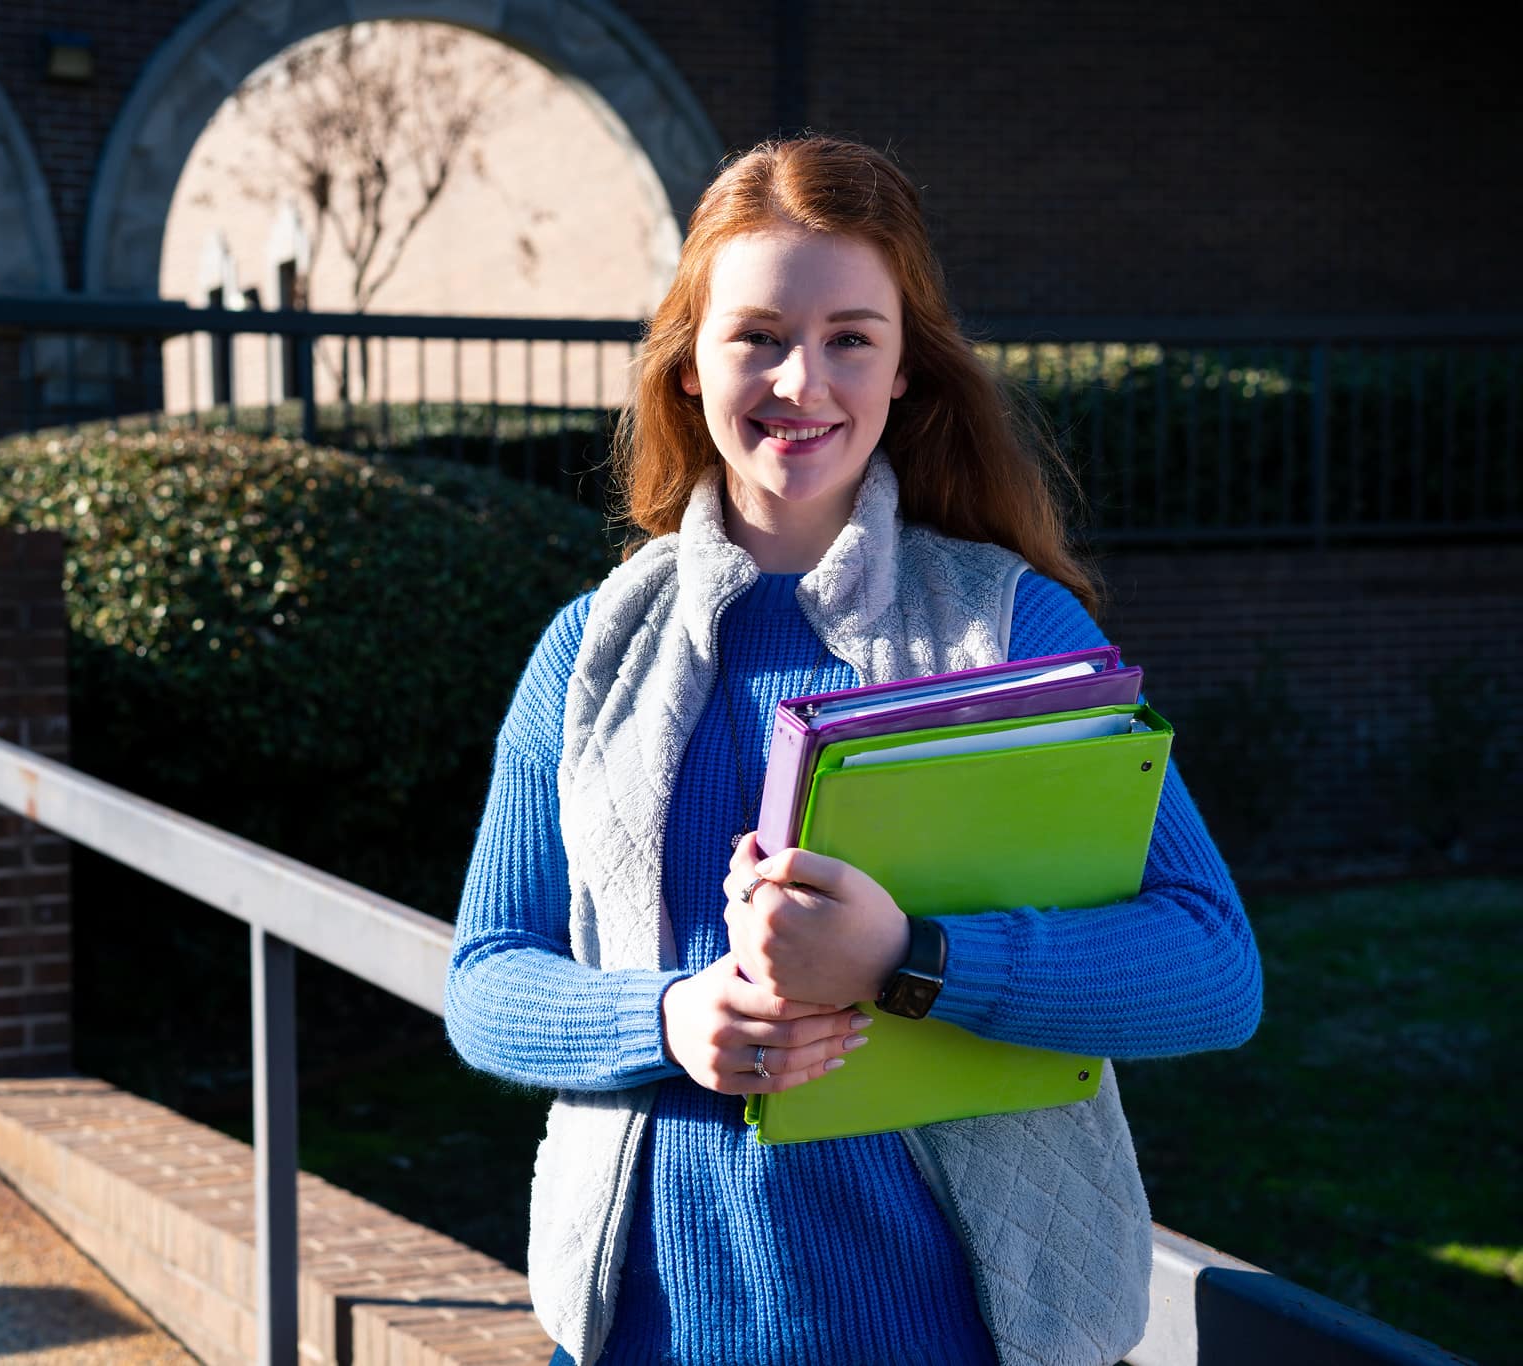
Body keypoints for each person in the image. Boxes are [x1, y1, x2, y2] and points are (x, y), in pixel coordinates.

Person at [442, 135, 1264, 1366]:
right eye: (757, 333)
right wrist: (667, 1019)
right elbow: (485, 979)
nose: (799, 380)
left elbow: (1211, 968)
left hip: (952, 1337)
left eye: (848, 338)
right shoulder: (589, 648)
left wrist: (907, 958)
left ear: (903, 373)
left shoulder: (1009, 627)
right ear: (686, 368)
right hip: (637, 1336)